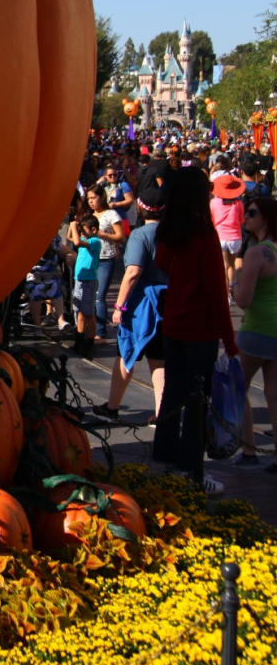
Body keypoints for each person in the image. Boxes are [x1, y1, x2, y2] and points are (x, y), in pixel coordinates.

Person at [151, 167, 236, 485]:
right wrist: (230, 341)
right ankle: (191, 470)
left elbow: (161, 264)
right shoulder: (203, 234)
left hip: (173, 324)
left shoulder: (169, 231)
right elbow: (217, 293)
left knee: (172, 394)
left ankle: (165, 461)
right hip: (201, 330)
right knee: (197, 400)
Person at [104, 202, 167, 419]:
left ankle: (112, 407)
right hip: (168, 301)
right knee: (159, 359)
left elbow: (132, 272)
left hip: (143, 304)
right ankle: (162, 413)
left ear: (140, 210)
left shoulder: (141, 234)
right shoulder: (172, 232)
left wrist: (119, 306)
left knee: (126, 351)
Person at [230, 195, 277, 472]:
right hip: (275, 329)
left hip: (256, 330)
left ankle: (248, 450)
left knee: (238, 388)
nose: (246, 216)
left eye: (252, 212)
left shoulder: (256, 253)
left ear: (267, 218)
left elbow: (244, 300)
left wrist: (234, 282)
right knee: (273, 392)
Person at [85, 184, 125, 338]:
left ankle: (100, 333)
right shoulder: (89, 216)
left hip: (105, 259)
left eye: (93, 198)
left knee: (99, 296)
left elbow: (121, 237)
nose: (90, 201)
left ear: (101, 197)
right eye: (88, 198)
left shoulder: (111, 214)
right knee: (89, 296)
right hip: (90, 259)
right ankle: (89, 329)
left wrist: (101, 234)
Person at [68, 213, 101, 358]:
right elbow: (70, 238)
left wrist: (75, 227)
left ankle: (90, 343)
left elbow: (75, 242)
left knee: (89, 314)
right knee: (80, 312)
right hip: (80, 280)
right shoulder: (83, 239)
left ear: (93, 229)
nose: (80, 233)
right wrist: (71, 225)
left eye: (83, 230)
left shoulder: (94, 241)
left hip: (89, 281)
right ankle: (79, 340)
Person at [210, 173, 245, 291]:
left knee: (223, 266)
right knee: (232, 265)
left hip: (220, 237)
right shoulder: (238, 204)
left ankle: (225, 295)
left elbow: (211, 220)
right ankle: (232, 289)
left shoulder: (213, 203)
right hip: (235, 237)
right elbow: (241, 221)